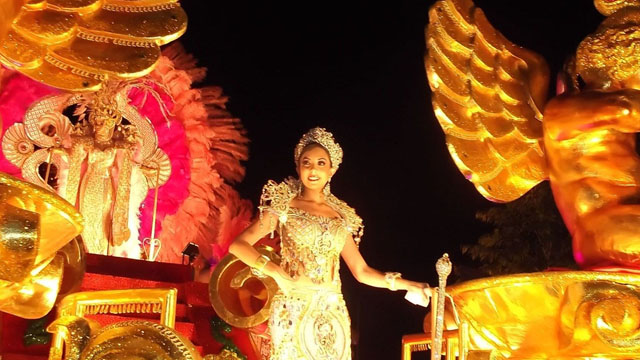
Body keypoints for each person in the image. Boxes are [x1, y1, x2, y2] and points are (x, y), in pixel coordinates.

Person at [229, 127, 430, 360]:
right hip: (294, 308)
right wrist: (275, 272)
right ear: (298, 167)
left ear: (332, 170)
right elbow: (238, 245)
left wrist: (407, 284)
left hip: (332, 312)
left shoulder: (341, 216)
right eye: (307, 162)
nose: (313, 169)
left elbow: (362, 271)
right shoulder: (284, 206)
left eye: (321, 163)